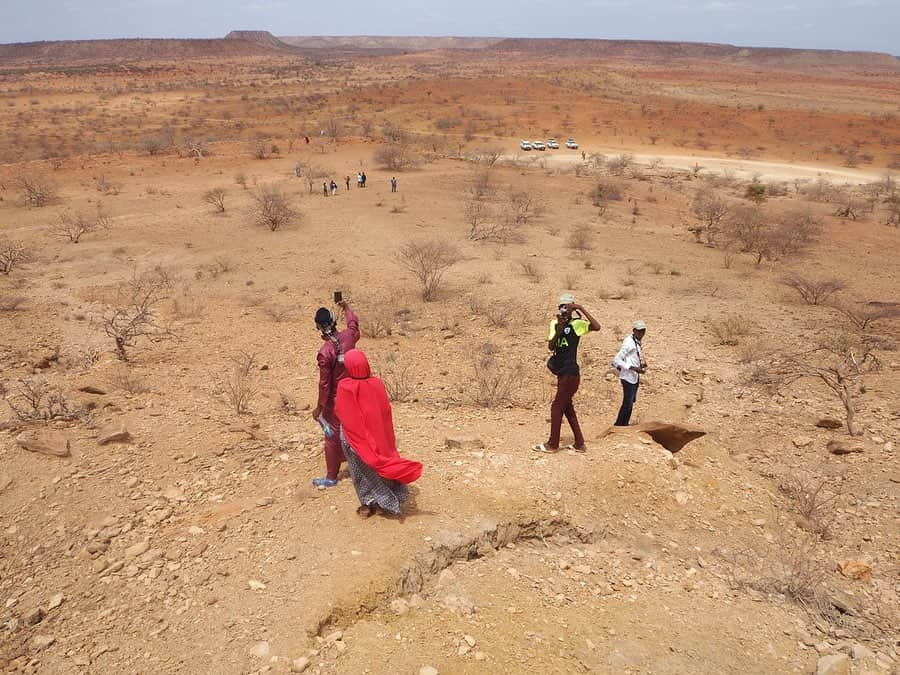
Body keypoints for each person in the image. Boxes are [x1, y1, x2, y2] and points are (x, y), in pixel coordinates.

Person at [335, 349, 422, 517]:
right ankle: (385, 502)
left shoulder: (345, 386)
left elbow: (342, 413)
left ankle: (367, 504)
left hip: (353, 438)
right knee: (380, 466)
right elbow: (384, 412)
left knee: (359, 471)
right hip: (379, 435)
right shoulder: (377, 384)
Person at [533, 293, 600, 453]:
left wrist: (581, 309)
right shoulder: (555, 323)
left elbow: (597, 327)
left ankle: (553, 444)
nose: (564, 309)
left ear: (572, 308)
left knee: (557, 407)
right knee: (567, 407)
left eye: (568, 306)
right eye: (562, 306)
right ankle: (579, 443)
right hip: (561, 373)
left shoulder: (577, 324)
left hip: (571, 373)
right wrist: (559, 330)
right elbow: (550, 346)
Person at [311, 300, 360, 487]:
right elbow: (353, 324)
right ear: (333, 321)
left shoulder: (325, 352)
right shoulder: (349, 337)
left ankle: (332, 476)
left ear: (318, 327)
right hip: (354, 393)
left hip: (336, 399)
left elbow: (325, 385)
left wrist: (319, 408)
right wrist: (347, 308)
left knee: (331, 436)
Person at [612, 320, 647, 426]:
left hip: (634, 377)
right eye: (639, 331)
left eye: (643, 331)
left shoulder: (636, 341)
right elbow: (616, 360)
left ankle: (624, 424)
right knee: (627, 403)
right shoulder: (629, 342)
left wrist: (641, 365)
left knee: (630, 403)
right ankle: (619, 425)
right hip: (627, 377)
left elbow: (632, 356)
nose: (641, 334)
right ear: (634, 331)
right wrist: (633, 368)